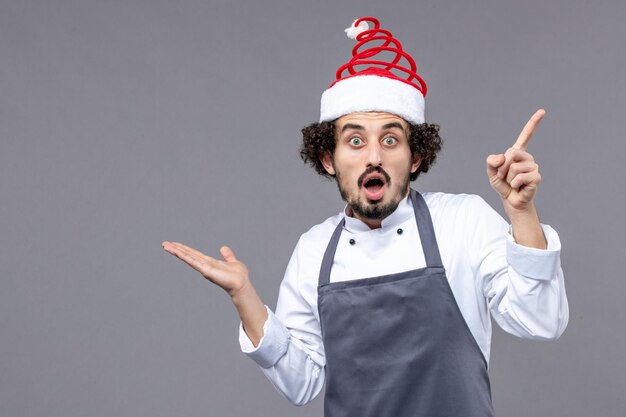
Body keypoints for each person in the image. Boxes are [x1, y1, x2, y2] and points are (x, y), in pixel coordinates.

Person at [162, 16, 568, 417]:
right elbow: (300, 384)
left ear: (416, 157)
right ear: (328, 159)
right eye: (355, 141)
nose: (374, 156)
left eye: (390, 140)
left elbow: (540, 321)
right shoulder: (314, 249)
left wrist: (522, 213)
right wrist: (244, 296)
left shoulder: (461, 221)